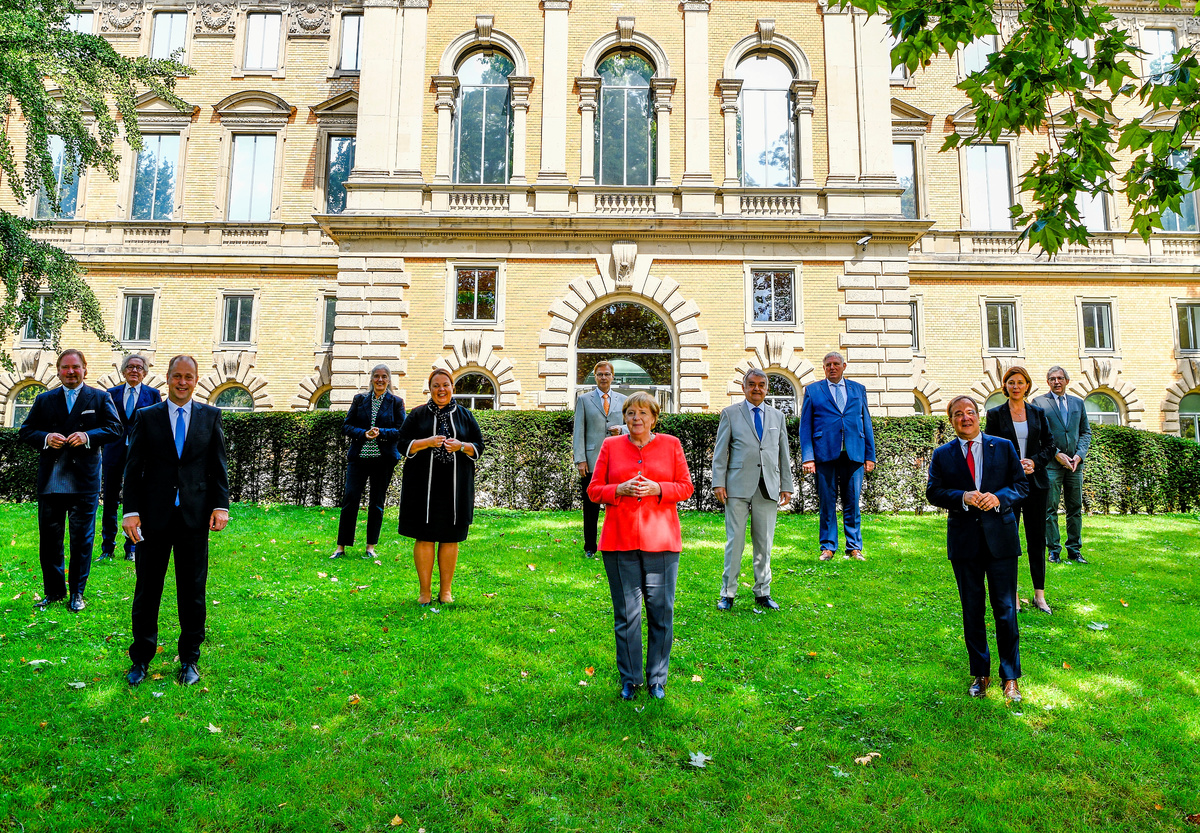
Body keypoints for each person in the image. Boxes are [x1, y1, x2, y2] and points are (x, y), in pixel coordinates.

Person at [121, 355, 230, 686]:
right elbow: (133, 468)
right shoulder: (147, 416)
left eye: (188, 377)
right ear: (167, 378)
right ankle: (141, 658)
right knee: (147, 590)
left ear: (196, 380)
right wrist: (131, 512)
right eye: (177, 376)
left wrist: (220, 506)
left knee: (193, 591)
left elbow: (218, 467)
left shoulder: (210, 416)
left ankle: (189, 660)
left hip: (194, 518)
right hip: (153, 518)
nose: (183, 382)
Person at [588, 391, 694, 701]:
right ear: (624, 418)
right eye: (631, 413)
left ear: (654, 418)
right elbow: (594, 490)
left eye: (643, 413)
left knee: (661, 612)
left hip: (661, 541)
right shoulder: (610, 446)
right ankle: (630, 679)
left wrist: (658, 488)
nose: (637, 418)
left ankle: (657, 679)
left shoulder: (671, 445)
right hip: (619, 541)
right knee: (627, 613)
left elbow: (686, 487)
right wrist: (618, 489)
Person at [926, 395, 1028, 702]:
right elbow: (933, 492)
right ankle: (980, 674)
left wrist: (999, 498)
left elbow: (1021, 485)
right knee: (972, 610)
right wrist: (962, 497)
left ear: (978, 416)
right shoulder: (943, 454)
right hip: (964, 542)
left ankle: (1010, 677)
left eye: (969, 412)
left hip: (1001, 540)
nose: (965, 418)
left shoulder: (1004, 446)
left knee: (1006, 610)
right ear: (951, 421)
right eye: (958, 414)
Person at [18, 349, 122, 612]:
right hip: (51, 480)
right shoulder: (44, 399)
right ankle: (53, 592)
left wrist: (88, 437)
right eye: (65, 367)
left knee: (82, 540)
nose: (71, 372)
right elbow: (26, 431)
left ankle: (77, 593)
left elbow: (115, 428)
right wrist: (45, 438)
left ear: (85, 369)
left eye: (76, 367)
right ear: (58, 370)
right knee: (50, 541)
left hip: (84, 481)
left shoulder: (100, 397)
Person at [397, 368, 485, 606]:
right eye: (436, 386)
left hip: (455, 487)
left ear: (453, 388)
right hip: (422, 488)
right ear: (430, 389)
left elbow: (479, 446)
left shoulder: (465, 415)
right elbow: (402, 444)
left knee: (450, 537)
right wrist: (426, 442)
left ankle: (446, 591)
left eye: (445, 385)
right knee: (424, 536)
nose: (441, 390)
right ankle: (424, 592)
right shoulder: (417, 414)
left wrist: (462, 446)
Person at [712, 369, 793, 611]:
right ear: (744, 387)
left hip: (768, 486)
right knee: (735, 541)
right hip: (737, 486)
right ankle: (728, 593)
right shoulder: (730, 414)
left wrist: (786, 485)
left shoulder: (777, 416)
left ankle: (762, 592)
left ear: (767, 388)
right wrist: (718, 482)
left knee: (764, 542)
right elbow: (720, 452)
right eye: (752, 384)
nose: (756, 389)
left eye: (761, 385)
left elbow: (783, 453)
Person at [985, 366, 1055, 614]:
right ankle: (1012, 594)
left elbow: (1050, 445)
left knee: (1037, 539)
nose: (1016, 387)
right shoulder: (995, 415)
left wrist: (1034, 462)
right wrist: (1014, 464)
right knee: (1009, 540)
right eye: (1011, 382)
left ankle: (1039, 595)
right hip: (1008, 486)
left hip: (1036, 484)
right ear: (1005, 386)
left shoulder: (1038, 412)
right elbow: (990, 447)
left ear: (1027, 386)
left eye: (1020, 382)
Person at [799, 351, 876, 561]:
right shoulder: (813, 390)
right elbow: (805, 426)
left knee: (852, 501)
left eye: (835, 364)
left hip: (854, 453)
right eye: (828, 365)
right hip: (824, 454)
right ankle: (828, 547)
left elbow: (866, 422)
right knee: (827, 502)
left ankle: (854, 547)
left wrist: (870, 455)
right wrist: (808, 457)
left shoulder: (858, 389)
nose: (832, 367)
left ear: (844, 366)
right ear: (823, 368)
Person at [332, 365, 405, 559]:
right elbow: (346, 426)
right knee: (350, 499)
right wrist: (364, 434)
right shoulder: (360, 399)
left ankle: (370, 547)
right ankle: (341, 547)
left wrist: (381, 433)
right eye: (376, 376)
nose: (380, 380)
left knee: (376, 503)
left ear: (389, 380)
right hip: (359, 458)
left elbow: (401, 431)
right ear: (371, 379)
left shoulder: (396, 402)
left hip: (383, 460)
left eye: (384, 376)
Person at [100, 354, 161, 562]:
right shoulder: (111, 393)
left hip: (140, 455)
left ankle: (132, 547)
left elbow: (158, 425)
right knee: (110, 500)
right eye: (130, 367)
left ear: (145, 373)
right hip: (113, 452)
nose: (134, 371)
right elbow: (105, 422)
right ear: (124, 371)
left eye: (139, 367)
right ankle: (107, 548)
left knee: (135, 500)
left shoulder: (153, 395)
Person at [1033, 366, 1092, 564]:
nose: (1056, 381)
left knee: (1075, 508)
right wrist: (1056, 454)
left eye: (1060, 378)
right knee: (1049, 509)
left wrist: (1079, 455)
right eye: (1052, 379)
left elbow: (1085, 432)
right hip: (1052, 464)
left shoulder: (1078, 403)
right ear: (1047, 382)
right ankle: (1054, 550)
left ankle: (1074, 550)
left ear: (1067, 380)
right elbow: (1038, 434)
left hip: (1075, 465)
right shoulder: (1039, 403)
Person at [572, 360, 627, 558]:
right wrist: (580, 459)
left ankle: (617, 543)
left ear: (613, 377)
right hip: (591, 461)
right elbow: (578, 431)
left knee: (618, 504)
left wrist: (621, 429)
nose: (604, 377)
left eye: (607, 374)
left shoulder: (624, 400)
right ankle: (590, 547)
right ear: (595, 377)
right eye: (600, 374)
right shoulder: (584, 400)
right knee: (590, 506)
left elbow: (633, 425)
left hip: (617, 461)